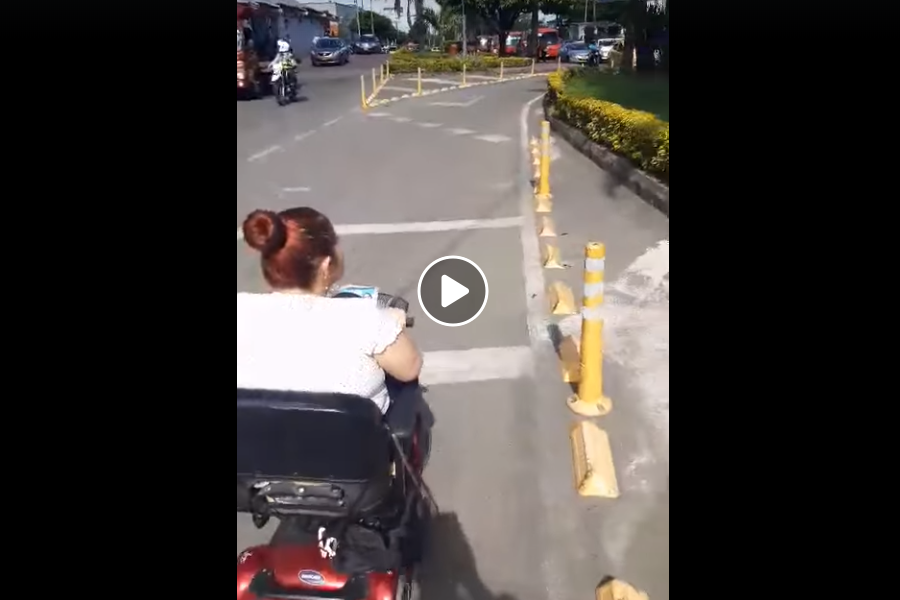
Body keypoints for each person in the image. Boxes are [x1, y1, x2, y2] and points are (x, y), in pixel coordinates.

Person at [237, 208, 424, 414]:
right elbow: (409, 369)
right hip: (351, 435)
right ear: (325, 266)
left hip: (255, 434)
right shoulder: (364, 317)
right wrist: (394, 323)